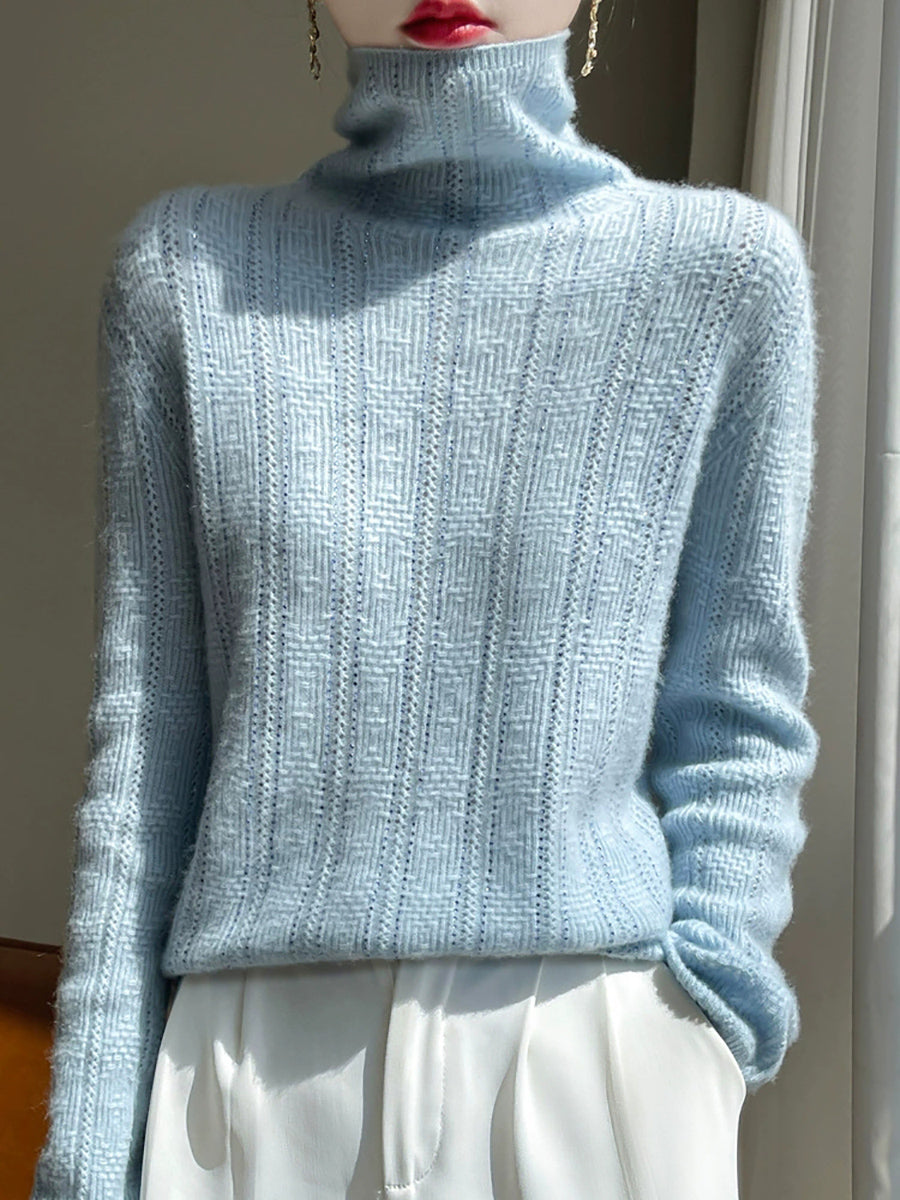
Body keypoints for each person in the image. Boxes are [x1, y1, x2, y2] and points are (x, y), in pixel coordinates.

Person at [29, 0, 822, 1197]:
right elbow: (148, 750)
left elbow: (739, 705)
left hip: (593, 1049)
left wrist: (710, 1019)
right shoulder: (186, 274)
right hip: (248, 1072)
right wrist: (92, 1147)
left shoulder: (721, 275)